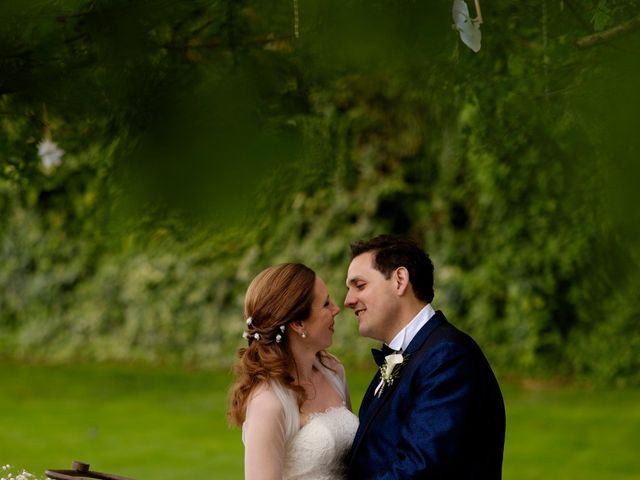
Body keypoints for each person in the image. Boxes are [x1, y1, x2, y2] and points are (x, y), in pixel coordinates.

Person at [344, 235, 505, 479]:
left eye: (360, 285)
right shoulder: (410, 354)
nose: (348, 300)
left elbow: (419, 469)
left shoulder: (447, 356)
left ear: (399, 280)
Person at [228, 263, 358, 480]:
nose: (336, 309)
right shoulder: (269, 403)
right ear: (298, 323)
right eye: (326, 304)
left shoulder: (333, 370)